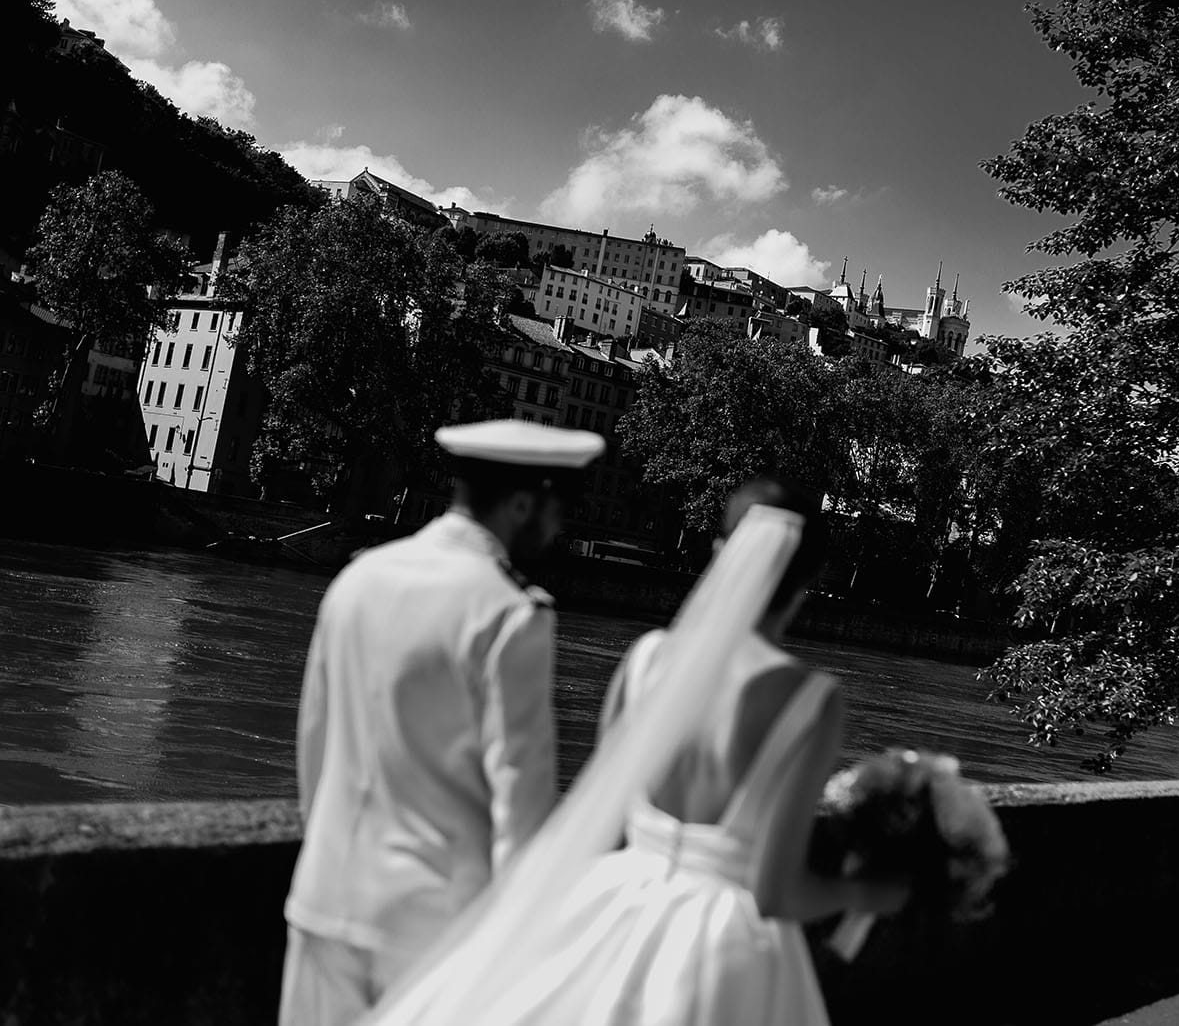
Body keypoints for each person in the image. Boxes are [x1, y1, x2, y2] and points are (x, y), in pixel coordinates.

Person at [485, 475, 909, 1024]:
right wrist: (865, 894)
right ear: (811, 577)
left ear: (720, 554)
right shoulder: (809, 699)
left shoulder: (647, 660)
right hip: (720, 948)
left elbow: (595, 823)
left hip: (616, 908)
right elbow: (776, 893)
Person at [277, 418, 604, 1026]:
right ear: (524, 502)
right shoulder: (510, 613)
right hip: (432, 924)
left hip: (324, 897)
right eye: (563, 507)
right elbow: (521, 806)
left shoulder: (358, 579)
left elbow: (314, 749)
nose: (562, 528)